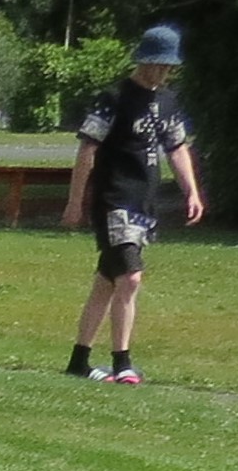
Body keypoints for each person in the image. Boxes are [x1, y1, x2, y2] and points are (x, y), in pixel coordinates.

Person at [61, 23, 206, 383]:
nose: (163, 72)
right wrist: (75, 201)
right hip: (114, 201)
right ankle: (122, 362)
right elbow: (87, 149)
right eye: (158, 64)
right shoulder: (113, 98)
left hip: (144, 205)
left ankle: (79, 361)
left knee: (106, 282)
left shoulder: (168, 101)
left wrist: (191, 191)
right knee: (130, 278)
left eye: (168, 66)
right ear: (143, 60)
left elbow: (177, 148)